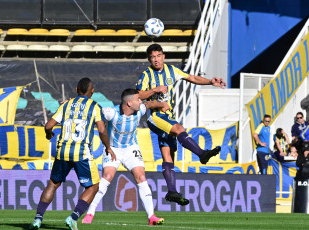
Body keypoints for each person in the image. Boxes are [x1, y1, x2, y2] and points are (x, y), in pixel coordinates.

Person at [135, 44, 225, 205]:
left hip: (168, 115)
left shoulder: (172, 71)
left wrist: (211, 81)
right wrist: (155, 90)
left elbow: (192, 78)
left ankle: (172, 191)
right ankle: (202, 154)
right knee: (179, 129)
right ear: (149, 59)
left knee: (168, 154)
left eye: (158, 56)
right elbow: (139, 95)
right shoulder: (147, 74)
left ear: (163, 56)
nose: (156, 59)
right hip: (155, 116)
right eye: (152, 57)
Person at [29, 78, 116, 230]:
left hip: (62, 151)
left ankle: (37, 219)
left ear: (76, 89)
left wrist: (49, 134)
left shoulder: (66, 105)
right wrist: (108, 147)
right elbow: (102, 130)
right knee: (93, 186)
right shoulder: (94, 106)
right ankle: (73, 217)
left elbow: (48, 125)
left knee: (52, 184)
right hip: (81, 153)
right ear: (92, 91)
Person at [82, 88, 167, 225]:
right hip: (113, 149)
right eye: (138, 99)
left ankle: (151, 217)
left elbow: (149, 104)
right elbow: (94, 111)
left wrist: (162, 104)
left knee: (141, 176)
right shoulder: (112, 113)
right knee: (107, 177)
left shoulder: (139, 110)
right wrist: (73, 104)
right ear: (128, 103)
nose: (141, 101)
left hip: (130, 148)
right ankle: (90, 214)